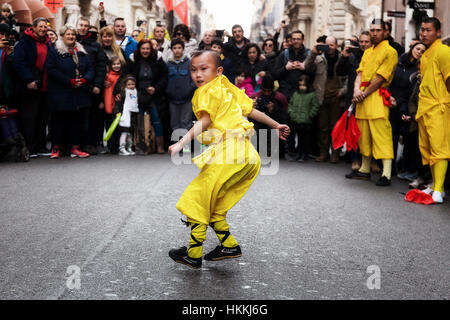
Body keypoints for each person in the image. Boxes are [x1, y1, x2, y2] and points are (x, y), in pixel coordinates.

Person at [167, 50, 290, 269]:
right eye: (193, 70)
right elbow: (250, 110)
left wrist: (180, 143)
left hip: (230, 154)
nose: (198, 75)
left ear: (218, 71)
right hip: (248, 156)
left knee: (197, 198)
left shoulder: (206, 91)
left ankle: (193, 254)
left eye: (204, 69)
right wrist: (275, 125)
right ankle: (229, 245)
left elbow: (204, 121)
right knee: (214, 205)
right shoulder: (226, 86)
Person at [345, 19, 398, 186]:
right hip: (362, 97)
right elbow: (359, 73)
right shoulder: (367, 51)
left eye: (378, 30)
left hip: (376, 97)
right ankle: (365, 169)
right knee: (364, 136)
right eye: (372, 29)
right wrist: (355, 90)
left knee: (381, 135)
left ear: (385, 32)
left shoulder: (390, 51)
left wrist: (363, 93)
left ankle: (386, 173)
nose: (374, 33)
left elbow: (381, 78)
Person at [46, 25, 94, 159]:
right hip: (61, 92)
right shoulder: (55, 51)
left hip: (78, 92)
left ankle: (75, 147)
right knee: (59, 121)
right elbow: (51, 70)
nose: (71, 37)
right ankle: (56, 148)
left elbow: (90, 69)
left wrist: (85, 80)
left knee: (75, 121)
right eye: (68, 34)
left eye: (73, 34)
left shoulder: (81, 51)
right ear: (62, 36)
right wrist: (69, 81)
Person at [415, 17, 450, 203]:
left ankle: (437, 189)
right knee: (427, 150)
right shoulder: (426, 54)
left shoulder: (444, 51)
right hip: (425, 108)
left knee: (439, 149)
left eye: (428, 30)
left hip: (439, 107)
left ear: (438, 31)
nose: (424, 34)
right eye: (422, 30)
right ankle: (438, 187)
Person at [13, 18, 52, 158]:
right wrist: (28, 79)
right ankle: (30, 147)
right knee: (29, 118)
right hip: (29, 87)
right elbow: (19, 63)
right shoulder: (24, 43)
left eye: (45, 27)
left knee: (42, 118)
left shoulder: (48, 42)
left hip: (45, 86)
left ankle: (40, 146)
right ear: (34, 28)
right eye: (40, 26)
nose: (43, 29)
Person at [306, 36, 347, 163]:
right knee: (322, 127)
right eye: (327, 45)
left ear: (336, 46)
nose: (329, 48)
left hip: (336, 97)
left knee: (335, 127)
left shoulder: (343, 58)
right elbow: (307, 68)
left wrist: (343, 91)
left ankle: (335, 153)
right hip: (321, 97)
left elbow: (348, 78)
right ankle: (323, 152)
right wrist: (313, 53)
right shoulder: (318, 58)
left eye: (332, 45)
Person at [389, 41, 426, 179]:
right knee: (391, 137)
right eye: (417, 49)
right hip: (393, 104)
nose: (419, 52)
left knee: (409, 140)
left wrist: (404, 108)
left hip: (406, 107)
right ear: (411, 49)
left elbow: (411, 93)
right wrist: (390, 97)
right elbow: (390, 81)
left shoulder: (419, 69)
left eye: (423, 51)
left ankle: (408, 169)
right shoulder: (398, 63)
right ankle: (389, 166)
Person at [129, 39, 168, 154]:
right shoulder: (133, 60)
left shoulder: (158, 60)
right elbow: (128, 75)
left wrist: (156, 88)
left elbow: (164, 76)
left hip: (154, 95)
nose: (145, 51)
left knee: (157, 120)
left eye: (148, 48)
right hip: (138, 95)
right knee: (140, 120)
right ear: (139, 49)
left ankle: (159, 146)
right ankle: (143, 146)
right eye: (143, 48)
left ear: (151, 49)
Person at [77, 17, 108, 155]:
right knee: (76, 117)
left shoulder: (95, 45)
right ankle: (75, 144)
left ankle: (91, 143)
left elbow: (101, 67)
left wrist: (98, 85)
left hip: (92, 87)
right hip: (75, 86)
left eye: (86, 26)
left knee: (92, 117)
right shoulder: (72, 41)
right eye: (81, 25)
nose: (83, 28)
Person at [166, 38, 196, 152]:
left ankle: (186, 144)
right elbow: (165, 79)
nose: (177, 50)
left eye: (179, 48)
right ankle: (176, 144)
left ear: (183, 49)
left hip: (186, 97)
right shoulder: (168, 64)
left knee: (185, 122)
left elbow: (194, 79)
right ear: (172, 49)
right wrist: (168, 91)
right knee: (174, 122)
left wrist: (190, 89)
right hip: (172, 98)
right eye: (175, 48)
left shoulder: (189, 63)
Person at [251, 75, 289, 158]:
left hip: (275, 122)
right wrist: (251, 106)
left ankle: (275, 151)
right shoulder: (255, 96)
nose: (267, 93)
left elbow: (285, 118)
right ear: (261, 88)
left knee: (273, 129)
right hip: (259, 124)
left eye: (269, 91)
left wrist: (274, 110)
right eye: (264, 91)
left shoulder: (280, 98)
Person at [287, 74, 320, 162]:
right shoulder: (296, 94)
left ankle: (304, 154)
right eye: (300, 85)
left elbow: (315, 106)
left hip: (306, 121)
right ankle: (298, 154)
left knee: (304, 139)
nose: (302, 87)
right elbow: (290, 104)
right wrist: (291, 113)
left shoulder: (312, 95)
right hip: (296, 120)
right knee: (298, 137)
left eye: (304, 85)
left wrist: (310, 115)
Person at [273, 30, 310, 101]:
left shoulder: (308, 55)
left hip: (303, 95)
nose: (296, 41)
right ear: (291, 40)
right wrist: (286, 68)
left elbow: (314, 75)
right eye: (294, 39)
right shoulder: (283, 54)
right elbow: (275, 75)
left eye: (298, 39)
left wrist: (304, 68)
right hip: (286, 95)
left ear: (302, 40)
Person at [113, 76, 139, 156]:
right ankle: (121, 148)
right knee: (124, 133)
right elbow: (117, 104)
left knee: (130, 134)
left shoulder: (135, 93)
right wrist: (117, 112)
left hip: (132, 117)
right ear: (125, 85)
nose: (131, 86)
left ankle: (129, 147)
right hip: (124, 116)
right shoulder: (122, 94)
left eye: (133, 84)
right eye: (129, 84)